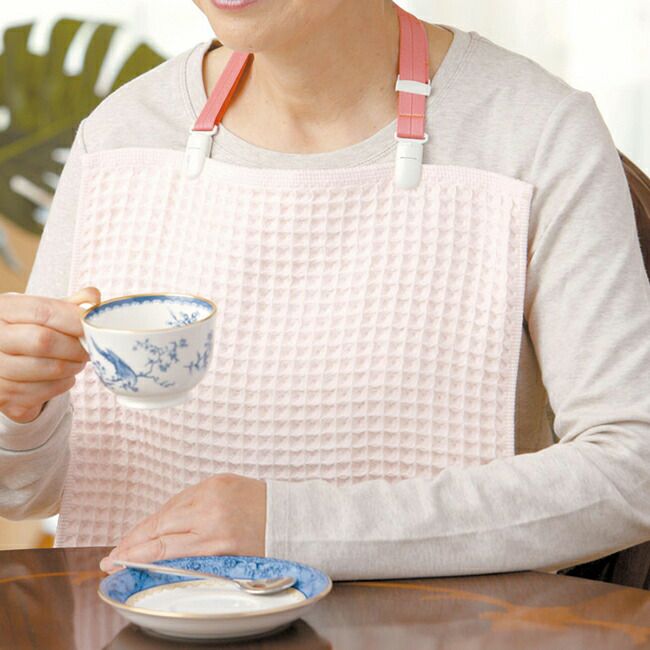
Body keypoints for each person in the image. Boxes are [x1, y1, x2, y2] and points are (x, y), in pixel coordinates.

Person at [0, 0, 648, 581]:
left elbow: (631, 467)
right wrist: (20, 409)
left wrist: (293, 527)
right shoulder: (122, 137)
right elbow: (38, 489)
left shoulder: (533, 133)